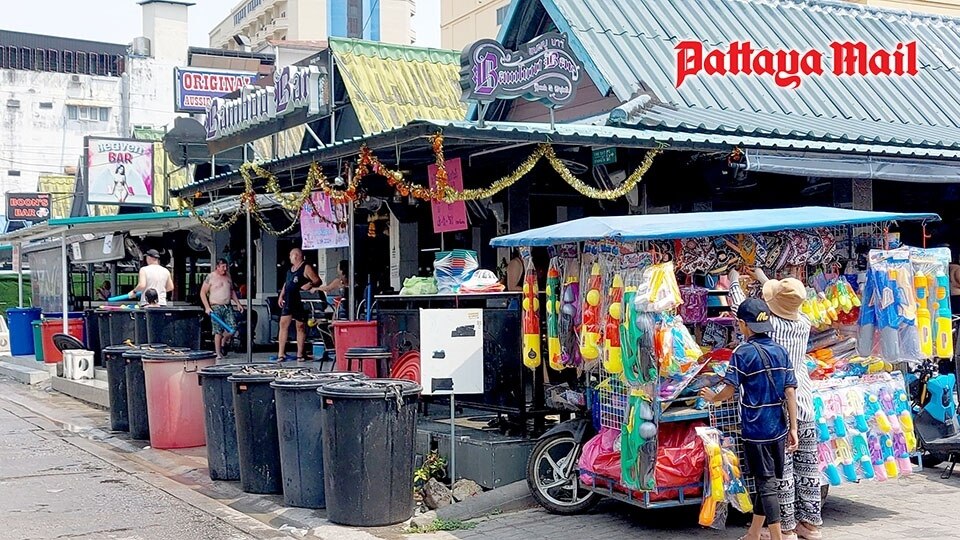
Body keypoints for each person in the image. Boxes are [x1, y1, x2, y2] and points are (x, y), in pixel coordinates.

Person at [729, 267, 820, 540]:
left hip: (776, 406)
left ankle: (787, 528)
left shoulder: (772, 327)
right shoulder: (803, 322)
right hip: (804, 398)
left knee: (784, 471)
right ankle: (811, 525)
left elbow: (740, 307)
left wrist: (735, 278)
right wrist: (761, 276)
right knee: (808, 466)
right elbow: (784, 299)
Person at [700, 298, 799, 540]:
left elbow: (730, 389)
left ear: (743, 324)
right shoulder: (780, 351)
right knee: (767, 482)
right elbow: (790, 392)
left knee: (766, 485)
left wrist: (714, 398)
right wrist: (794, 428)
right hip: (779, 426)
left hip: (756, 428)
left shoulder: (742, 353)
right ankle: (754, 533)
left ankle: (776, 537)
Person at [277, 248, 321, 361]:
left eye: (291, 255)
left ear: (296, 256)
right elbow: (286, 283)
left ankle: (300, 354)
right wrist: (281, 295)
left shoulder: (306, 267)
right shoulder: (289, 270)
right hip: (289, 300)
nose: (290, 258)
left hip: (299, 301)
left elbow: (317, 280)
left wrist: (309, 284)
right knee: (283, 325)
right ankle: (281, 353)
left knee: (300, 326)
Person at [201, 259, 244, 359]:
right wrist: (207, 307)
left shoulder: (228, 276)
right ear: (217, 267)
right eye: (223, 267)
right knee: (217, 331)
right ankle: (218, 353)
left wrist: (238, 303)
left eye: (226, 267)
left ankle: (224, 341)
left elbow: (231, 291)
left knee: (233, 328)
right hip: (215, 306)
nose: (225, 269)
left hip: (227, 306)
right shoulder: (210, 277)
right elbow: (202, 292)